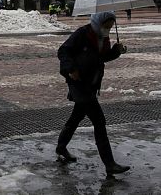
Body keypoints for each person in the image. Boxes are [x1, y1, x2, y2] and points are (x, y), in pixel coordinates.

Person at [55, 11, 131, 175]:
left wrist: (116, 51)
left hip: (91, 83)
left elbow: (101, 58)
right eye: (106, 26)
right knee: (99, 121)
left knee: (76, 117)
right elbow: (63, 51)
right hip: (78, 82)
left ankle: (61, 148)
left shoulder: (103, 38)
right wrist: (71, 69)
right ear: (98, 23)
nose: (108, 30)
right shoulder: (82, 33)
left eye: (110, 27)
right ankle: (109, 163)